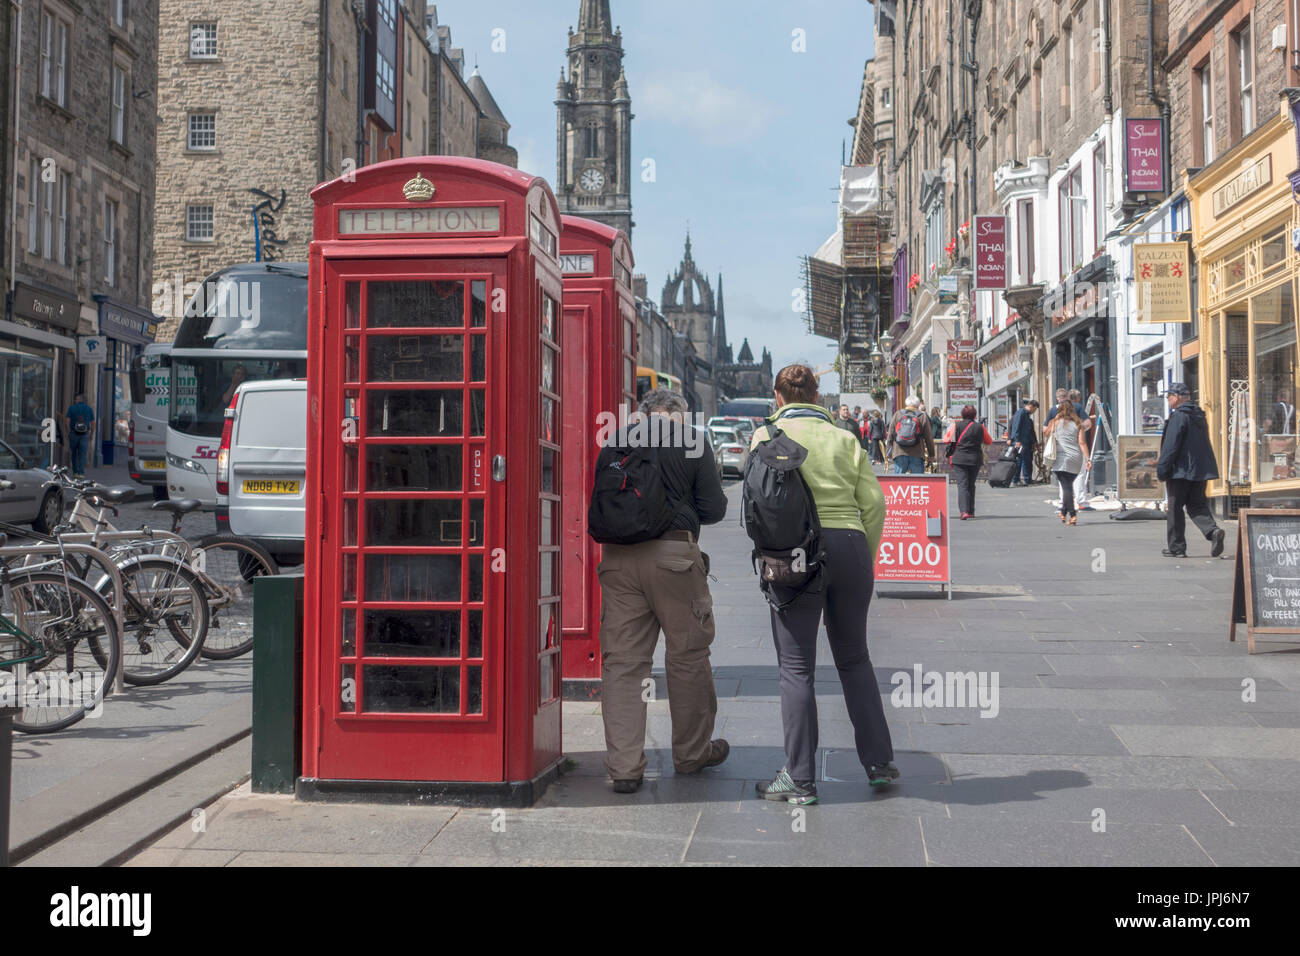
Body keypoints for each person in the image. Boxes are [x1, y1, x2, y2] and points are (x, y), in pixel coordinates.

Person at [750, 364, 894, 804]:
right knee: (855, 658)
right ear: (816, 396)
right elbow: (874, 505)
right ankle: (879, 763)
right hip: (849, 545)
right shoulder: (846, 438)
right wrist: (862, 561)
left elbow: (758, 504)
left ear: (778, 397)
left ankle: (800, 779)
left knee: (796, 668)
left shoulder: (765, 437)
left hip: (795, 554)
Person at [593, 387, 730, 793]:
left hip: (617, 560)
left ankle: (624, 768)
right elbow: (715, 509)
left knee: (623, 664)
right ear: (678, 414)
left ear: (643, 413)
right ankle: (691, 754)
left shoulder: (615, 440)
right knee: (687, 656)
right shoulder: (690, 441)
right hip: (674, 559)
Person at [1156, 382, 1226, 558]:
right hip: (1200, 470)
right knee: (1196, 504)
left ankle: (1177, 548)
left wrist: (1162, 470)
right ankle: (1213, 532)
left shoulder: (1179, 416)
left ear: (1177, 397)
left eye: (1169, 396)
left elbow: (1171, 446)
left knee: (1175, 508)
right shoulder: (1199, 415)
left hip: (1180, 471)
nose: (1168, 400)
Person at [1044, 400, 1090, 524]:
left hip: (1061, 459)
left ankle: (1073, 514)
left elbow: (1045, 433)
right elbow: (1082, 443)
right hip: (1076, 458)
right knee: (1067, 486)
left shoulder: (1055, 422)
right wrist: (1088, 458)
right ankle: (1063, 512)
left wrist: (1054, 419)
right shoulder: (1078, 424)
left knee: (1067, 487)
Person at [945, 405, 992, 519]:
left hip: (959, 459)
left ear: (962, 414)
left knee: (962, 485)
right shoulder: (980, 427)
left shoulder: (956, 425)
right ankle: (971, 511)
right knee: (971, 484)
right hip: (974, 459)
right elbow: (988, 441)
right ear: (975, 415)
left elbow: (946, 440)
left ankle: (964, 511)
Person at [888, 395, 935, 474]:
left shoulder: (898, 414)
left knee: (899, 481)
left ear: (906, 403)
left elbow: (890, 433)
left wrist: (888, 451)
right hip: (917, 452)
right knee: (917, 481)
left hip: (899, 451)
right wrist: (931, 454)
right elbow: (928, 437)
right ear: (918, 404)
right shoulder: (922, 416)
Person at [1009, 398, 1039, 485]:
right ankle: (1015, 480)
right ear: (1031, 406)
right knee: (1019, 461)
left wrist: (1034, 442)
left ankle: (1027, 479)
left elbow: (1030, 431)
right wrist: (1017, 440)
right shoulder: (1021, 413)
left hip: (1025, 442)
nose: (1034, 411)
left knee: (1027, 461)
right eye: (1034, 409)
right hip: (1020, 442)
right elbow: (1016, 426)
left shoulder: (1027, 415)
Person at [65, 393, 95, 476]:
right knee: (83, 453)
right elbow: (93, 423)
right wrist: (92, 434)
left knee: (74, 453)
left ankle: (75, 472)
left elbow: (67, 421)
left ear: (78, 400)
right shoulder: (89, 409)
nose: (75, 400)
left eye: (76, 399)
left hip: (74, 433)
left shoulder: (72, 408)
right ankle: (81, 473)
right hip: (85, 434)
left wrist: (68, 431)